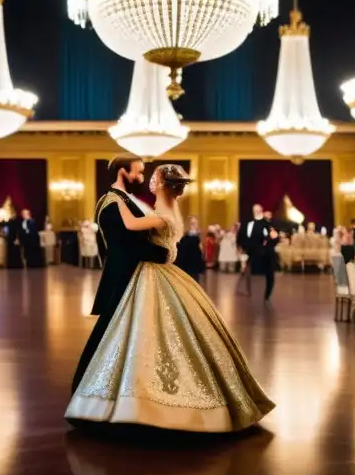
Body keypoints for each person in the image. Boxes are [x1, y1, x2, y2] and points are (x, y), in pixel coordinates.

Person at [66, 165, 274, 432]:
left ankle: (151, 404)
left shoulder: (161, 215)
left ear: (164, 185)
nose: (150, 181)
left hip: (154, 273)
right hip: (160, 272)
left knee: (151, 330)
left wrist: (115, 199)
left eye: (154, 178)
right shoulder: (164, 210)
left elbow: (130, 224)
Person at [71, 155, 171, 394]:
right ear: (122, 172)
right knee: (110, 334)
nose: (141, 177)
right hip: (122, 278)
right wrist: (164, 254)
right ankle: (94, 390)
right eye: (138, 172)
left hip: (132, 275)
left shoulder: (124, 199)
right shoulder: (112, 203)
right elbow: (127, 245)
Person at [174, 216, 206, 283]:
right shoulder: (184, 237)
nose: (194, 225)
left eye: (195, 223)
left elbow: (201, 251)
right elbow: (181, 251)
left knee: (195, 282)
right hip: (187, 265)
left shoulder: (199, 236)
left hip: (195, 265)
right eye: (192, 223)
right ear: (189, 224)